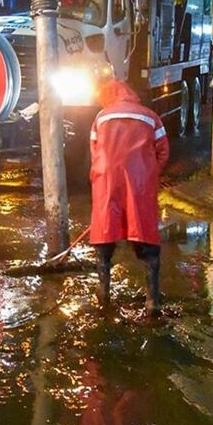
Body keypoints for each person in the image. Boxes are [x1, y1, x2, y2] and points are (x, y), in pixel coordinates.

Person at [89, 78, 170, 315]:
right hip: (140, 181)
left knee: (105, 236)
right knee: (145, 237)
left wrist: (101, 175)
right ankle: (152, 301)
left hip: (107, 181)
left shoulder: (100, 118)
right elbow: (163, 150)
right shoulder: (150, 116)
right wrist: (151, 172)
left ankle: (104, 294)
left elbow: (94, 152)